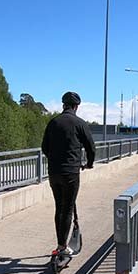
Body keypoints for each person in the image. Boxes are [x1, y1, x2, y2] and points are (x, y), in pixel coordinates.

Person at [41, 91, 95, 256]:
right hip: (71, 173)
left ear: (63, 104)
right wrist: (89, 164)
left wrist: (55, 160)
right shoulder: (80, 123)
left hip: (54, 173)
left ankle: (60, 244)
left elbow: (45, 147)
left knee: (59, 207)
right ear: (76, 106)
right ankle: (62, 247)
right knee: (68, 208)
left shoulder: (53, 122)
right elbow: (91, 148)